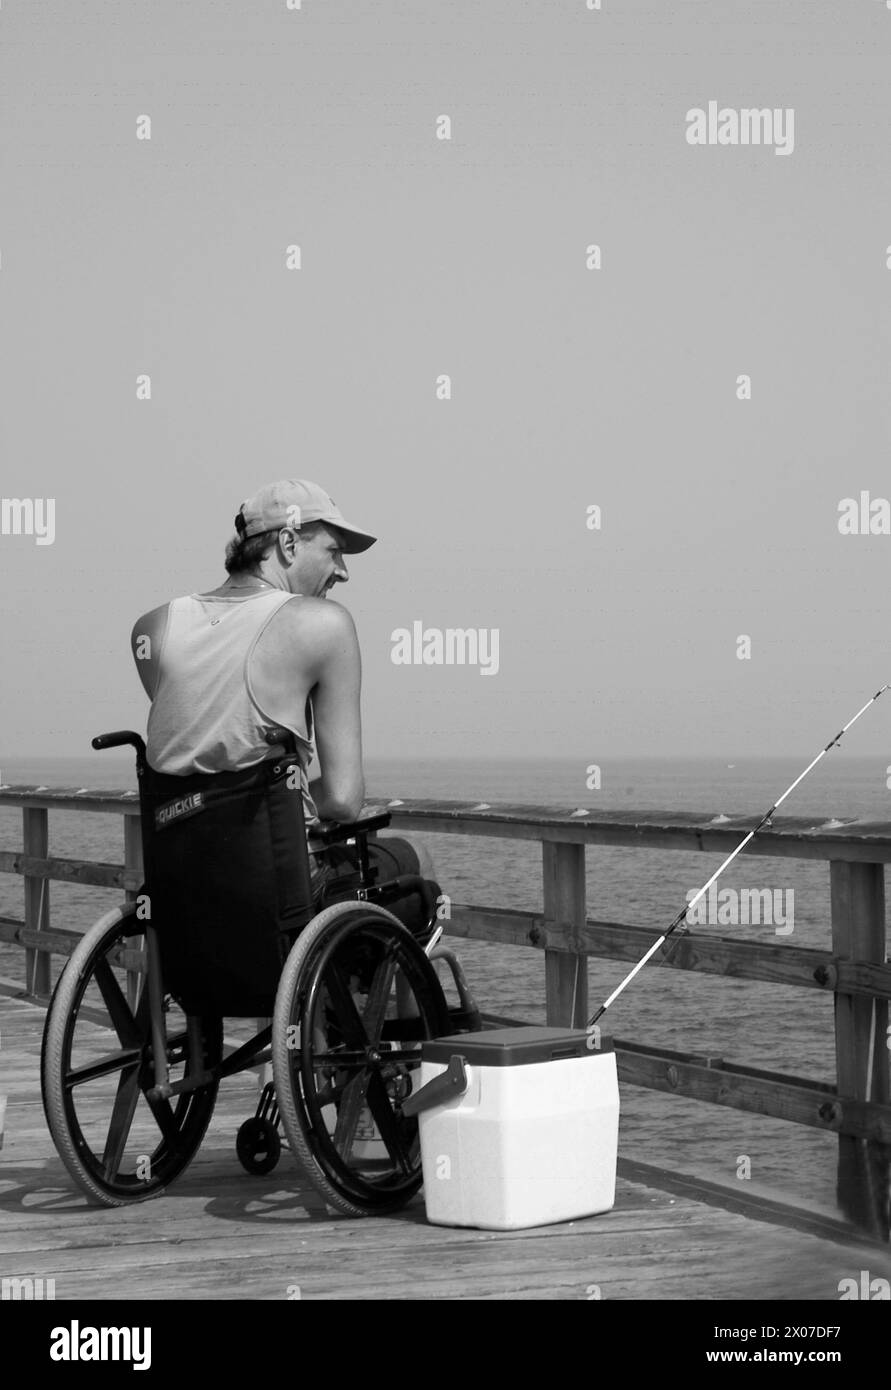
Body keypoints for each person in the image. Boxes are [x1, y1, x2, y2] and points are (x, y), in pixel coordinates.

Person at [130, 478, 437, 932]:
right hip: (277, 888)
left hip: (181, 885)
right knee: (416, 860)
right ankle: (363, 999)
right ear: (288, 543)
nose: (344, 572)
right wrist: (280, 801)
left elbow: (205, 750)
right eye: (334, 551)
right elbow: (343, 800)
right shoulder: (324, 625)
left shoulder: (154, 628)